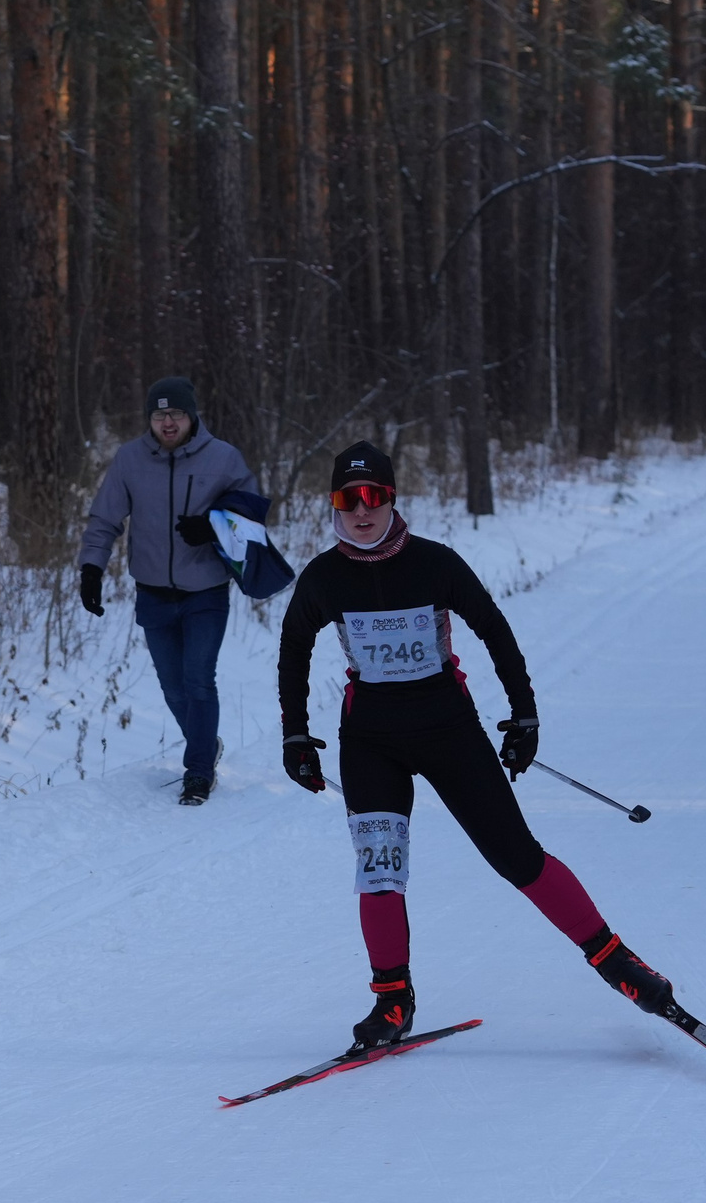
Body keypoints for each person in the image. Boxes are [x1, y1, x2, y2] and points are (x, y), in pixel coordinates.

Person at [277, 441, 684, 1056]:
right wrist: (296, 734)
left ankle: (619, 963)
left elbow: (493, 628)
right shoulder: (323, 576)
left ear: (392, 498)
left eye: (373, 496)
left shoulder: (435, 563)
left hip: (448, 729)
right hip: (370, 740)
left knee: (516, 856)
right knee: (379, 870)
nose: (361, 510)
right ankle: (392, 1000)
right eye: (347, 498)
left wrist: (525, 715)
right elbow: (294, 649)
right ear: (333, 503)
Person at [79, 376, 260, 805]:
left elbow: (251, 517)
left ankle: (198, 772)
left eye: (176, 413)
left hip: (205, 591)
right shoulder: (130, 460)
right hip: (153, 593)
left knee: (198, 680)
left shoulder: (224, 458)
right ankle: (205, 743)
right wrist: (91, 569)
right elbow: (105, 519)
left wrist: (213, 527)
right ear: (149, 418)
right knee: (172, 686)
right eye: (159, 414)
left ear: (191, 415)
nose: (168, 422)